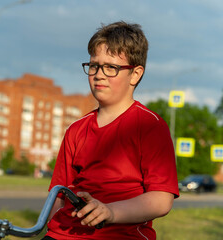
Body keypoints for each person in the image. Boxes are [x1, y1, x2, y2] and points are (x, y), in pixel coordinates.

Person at [42, 21, 179, 240]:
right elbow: (58, 194)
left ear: (135, 74)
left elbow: (162, 200)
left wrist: (111, 211)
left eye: (111, 67)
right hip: (63, 234)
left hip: (119, 234)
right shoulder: (76, 129)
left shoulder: (150, 126)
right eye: (94, 65)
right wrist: (51, 228)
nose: (98, 74)